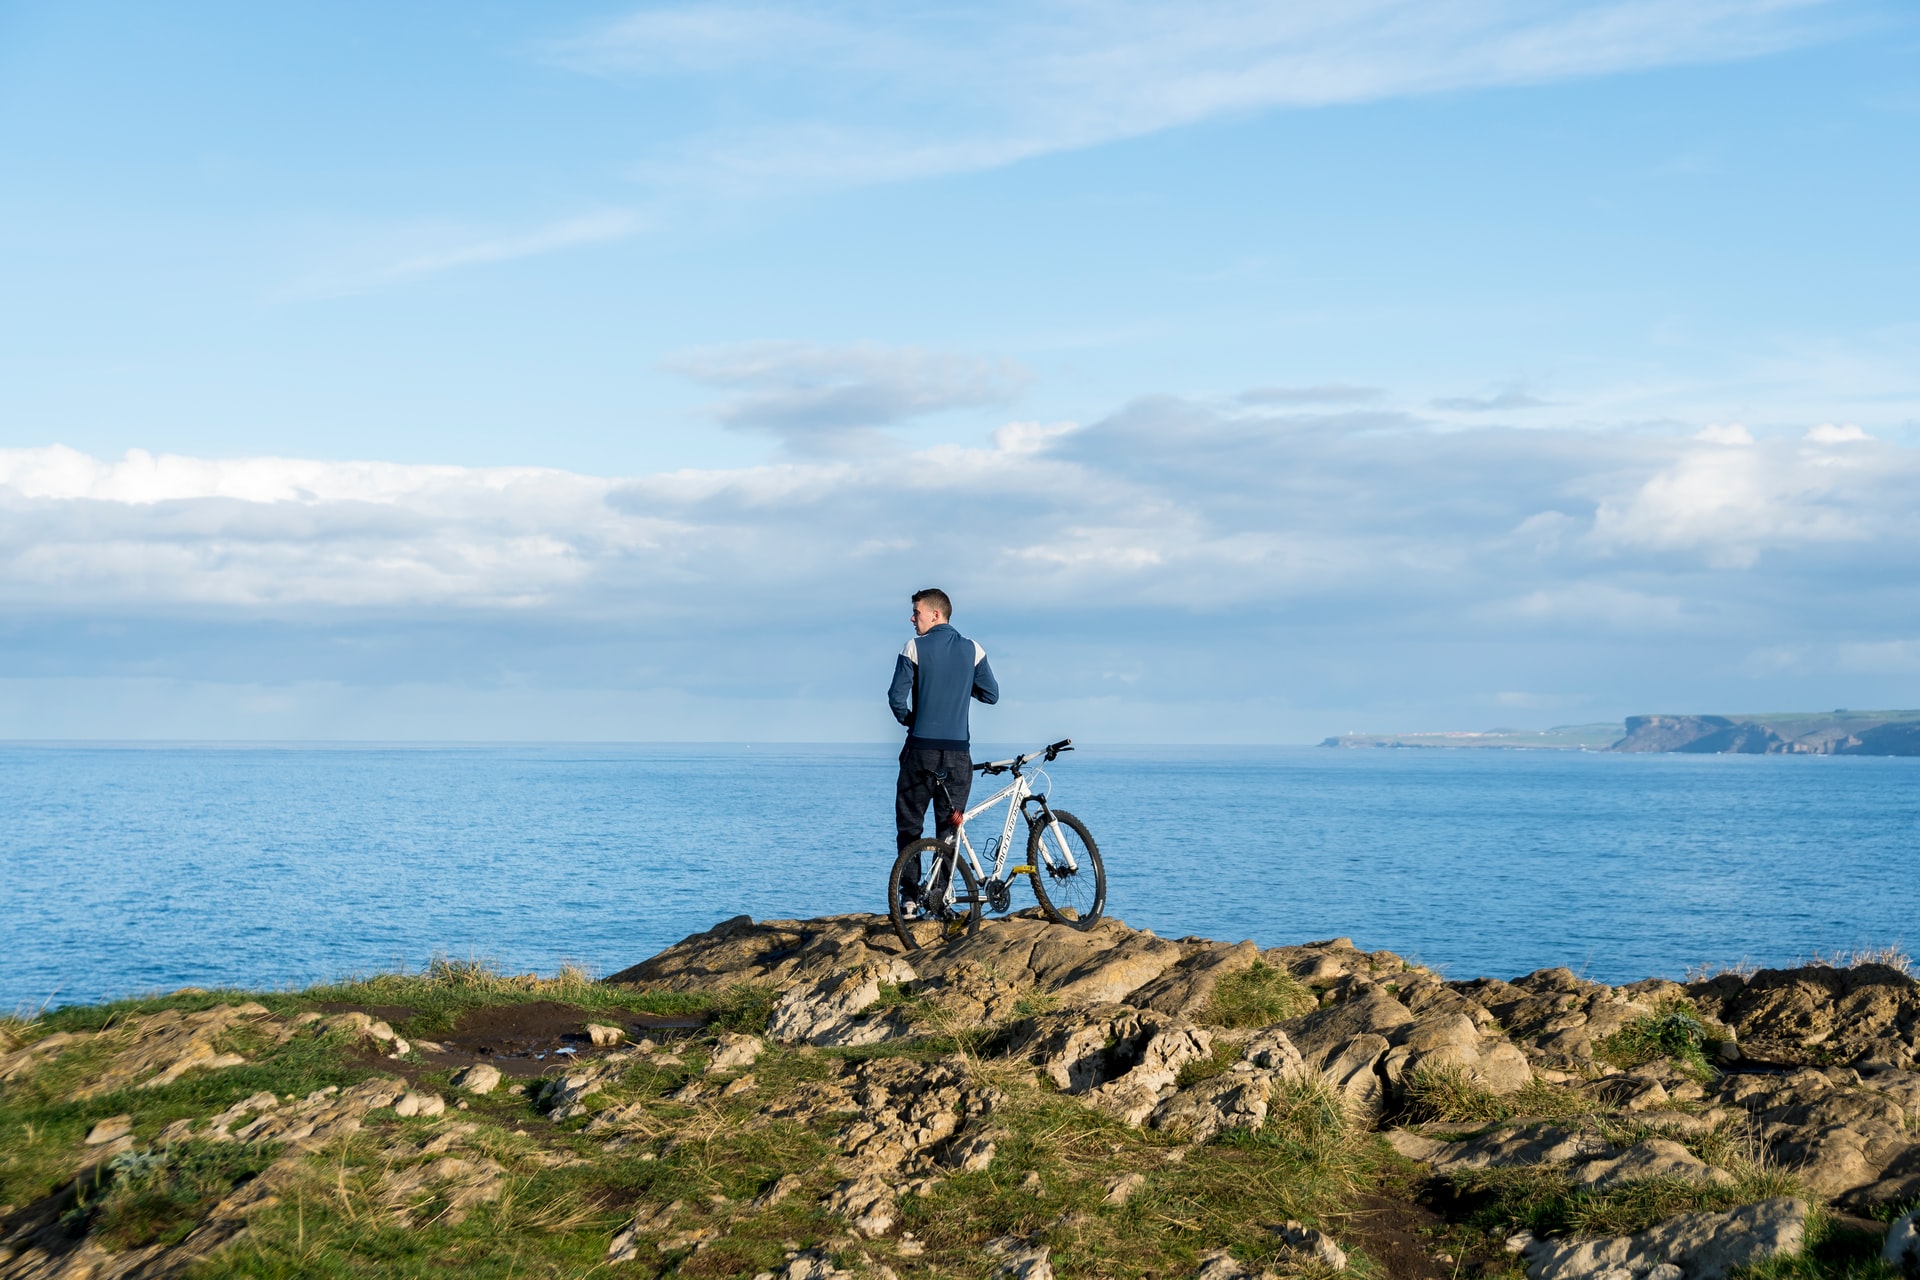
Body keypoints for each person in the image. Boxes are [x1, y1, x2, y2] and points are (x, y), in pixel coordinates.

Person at [888, 587, 999, 907]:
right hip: (958, 754)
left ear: (936, 614)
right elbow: (991, 694)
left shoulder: (914, 648)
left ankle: (909, 898)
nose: (912, 618)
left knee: (910, 824)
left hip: (920, 750)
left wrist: (911, 720)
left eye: (917, 612)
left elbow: (896, 698)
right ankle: (940, 893)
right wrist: (963, 686)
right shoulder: (973, 649)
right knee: (949, 828)